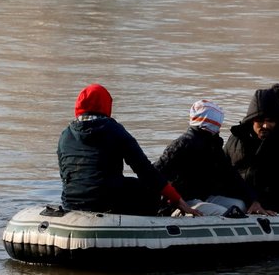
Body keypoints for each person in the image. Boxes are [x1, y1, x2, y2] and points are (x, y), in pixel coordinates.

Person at [57, 83, 200, 216]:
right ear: (106, 105)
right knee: (149, 189)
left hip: (70, 202)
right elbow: (145, 170)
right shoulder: (114, 130)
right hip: (106, 201)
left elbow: (65, 175)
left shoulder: (65, 135)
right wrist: (177, 200)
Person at [154, 99, 256, 216]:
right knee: (223, 213)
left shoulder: (213, 145)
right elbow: (156, 173)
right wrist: (174, 201)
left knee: (240, 206)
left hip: (204, 197)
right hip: (182, 202)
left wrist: (252, 199)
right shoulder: (182, 145)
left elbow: (230, 174)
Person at [223, 87, 279, 215]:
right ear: (251, 121)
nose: (265, 125)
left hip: (276, 207)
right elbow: (225, 173)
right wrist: (251, 200)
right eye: (260, 121)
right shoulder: (236, 139)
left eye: (270, 121)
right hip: (242, 202)